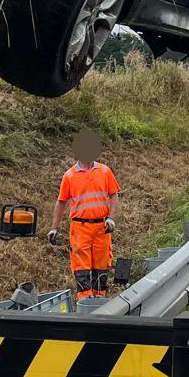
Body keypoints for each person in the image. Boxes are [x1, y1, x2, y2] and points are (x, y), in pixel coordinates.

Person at [49, 129, 120, 300]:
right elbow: (61, 202)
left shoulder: (105, 171)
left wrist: (111, 218)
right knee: (81, 266)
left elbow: (114, 194)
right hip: (80, 227)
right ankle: (85, 300)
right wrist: (54, 228)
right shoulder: (69, 176)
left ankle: (100, 298)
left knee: (102, 264)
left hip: (102, 227)